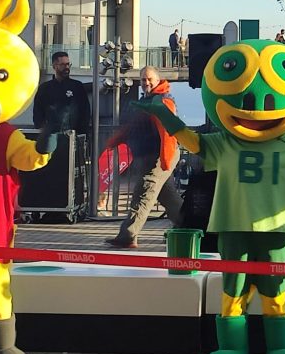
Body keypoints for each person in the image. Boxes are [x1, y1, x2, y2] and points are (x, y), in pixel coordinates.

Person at [104, 67, 182, 248]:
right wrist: (115, 141)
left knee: (143, 193)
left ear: (157, 80)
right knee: (167, 196)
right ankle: (190, 226)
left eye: (149, 79)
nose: (146, 83)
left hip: (158, 156)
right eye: (143, 80)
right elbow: (133, 127)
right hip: (153, 156)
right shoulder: (148, 101)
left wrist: (165, 159)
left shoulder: (162, 101)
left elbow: (168, 134)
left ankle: (128, 235)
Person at [32, 51, 90, 136]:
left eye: (68, 64)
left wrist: (82, 133)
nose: (66, 67)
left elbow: (85, 111)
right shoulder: (45, 88)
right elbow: (38, 113)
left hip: (73, 135)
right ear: (54, 66)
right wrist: (42, 132)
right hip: (51, 136)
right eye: (62, 64)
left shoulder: (77, 86)